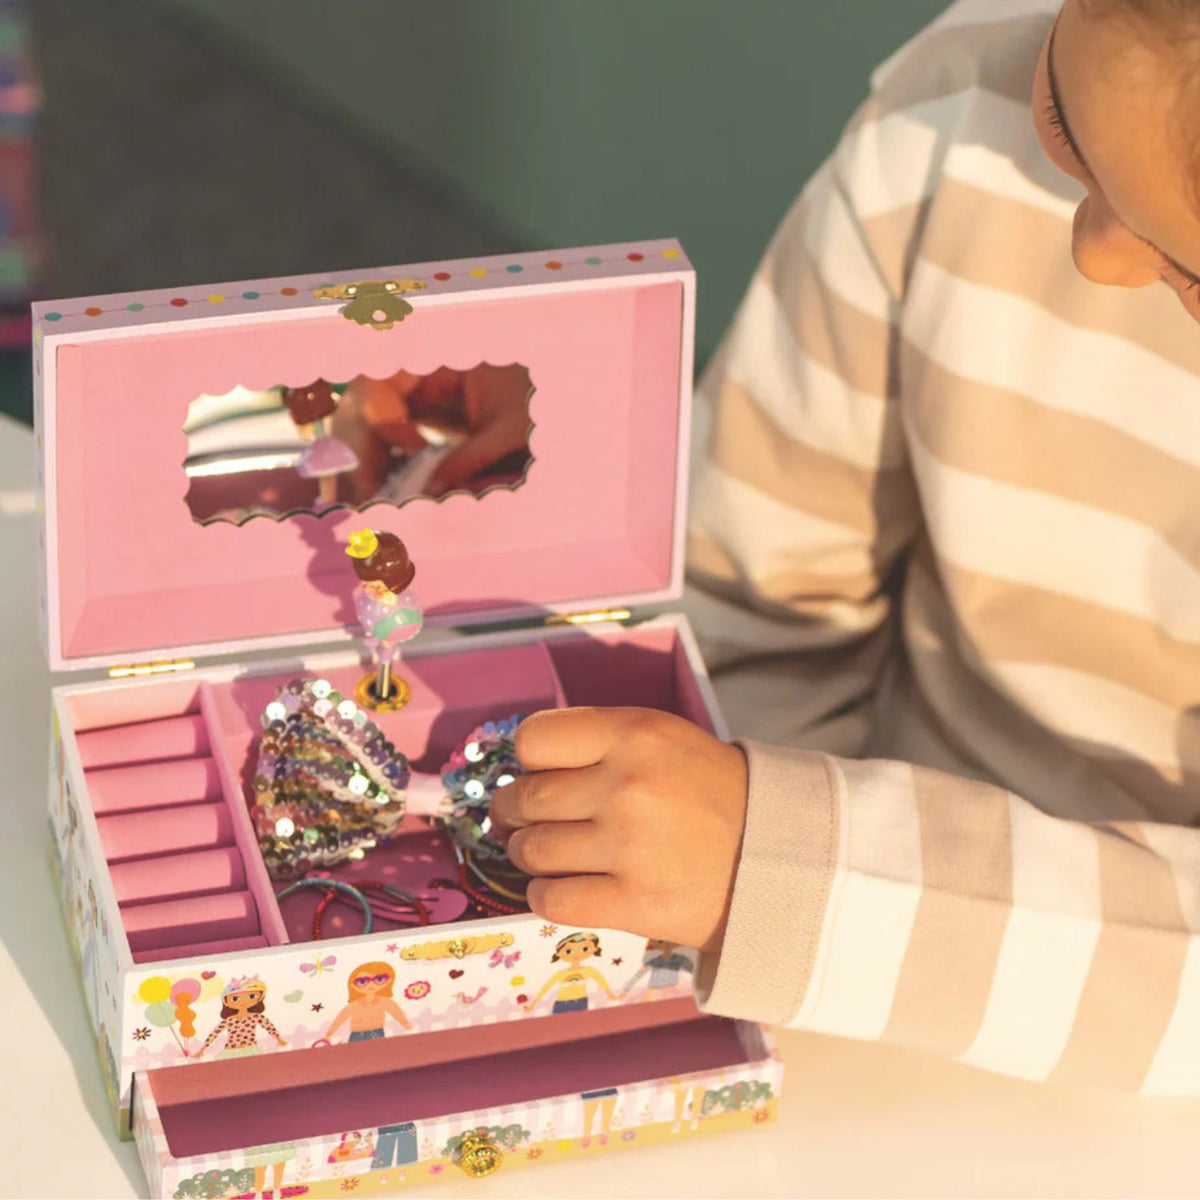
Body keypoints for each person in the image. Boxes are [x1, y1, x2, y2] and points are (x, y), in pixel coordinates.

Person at [491, 0, 1200, 1096]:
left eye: (1190, 269)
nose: (1097, 253)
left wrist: (788, 869)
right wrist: (724, 860)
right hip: (832, 999)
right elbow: (753, 598)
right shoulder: (954, 116)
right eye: (1067, 120)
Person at [325, 961, 412, 1042]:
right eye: (362, 981)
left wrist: (405, 1024)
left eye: (379, 979)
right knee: (355, 1055)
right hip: (357, 1034)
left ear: (389, 980)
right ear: (353, 985)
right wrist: (329, 1034)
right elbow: (340, 1018)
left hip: (377, 1032)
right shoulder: (354, 1005)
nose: (371, 984)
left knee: (378, 1053)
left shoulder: (384, 1001)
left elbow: (396, 1011)